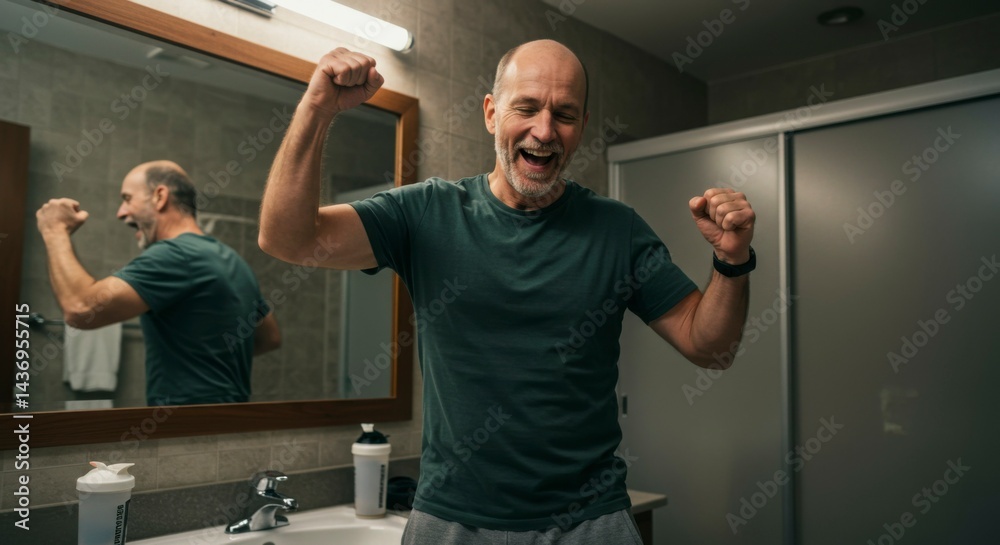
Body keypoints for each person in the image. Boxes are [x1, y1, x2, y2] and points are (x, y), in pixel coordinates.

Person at [259, 40, 754, 543]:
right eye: (527, 107)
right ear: (492, 114)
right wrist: (317, 108)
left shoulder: (617, 229)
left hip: (589, 523)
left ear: (581, 127)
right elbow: (288, 238)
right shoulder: (426, 214)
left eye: (564, 114)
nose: (544, 130)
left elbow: (711, 347)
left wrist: (732, 261)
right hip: (450, 521)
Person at [36, 160, 281, 406]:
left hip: (183, 426)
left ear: (159, 197)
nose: (121, 212)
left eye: (127, 198)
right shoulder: (233, 260)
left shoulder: (176, 255)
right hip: (230, 418)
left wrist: (54, 230)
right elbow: (269, 338)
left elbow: (81, 308)